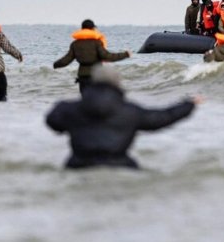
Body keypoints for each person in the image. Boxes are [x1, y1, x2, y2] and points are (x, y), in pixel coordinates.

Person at [46, 65, 198, 169]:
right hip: (119, 167)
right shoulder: (130, 111)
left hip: (78, 166)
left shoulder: (71, 109)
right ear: (117, 84)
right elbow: (161, 118)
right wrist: (188, 104)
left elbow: (52, 121)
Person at [53, 19, 131, 94]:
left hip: (82, 77)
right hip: (96, 76)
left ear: (82, 29)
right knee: (97, 101)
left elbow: (67, 59)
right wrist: (125, 54)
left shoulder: (75, 44)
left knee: (85, 101)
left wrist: (56, 64)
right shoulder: (97, 43)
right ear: (93, 29)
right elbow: (107, 56)